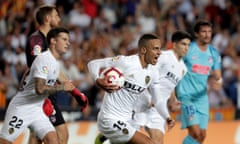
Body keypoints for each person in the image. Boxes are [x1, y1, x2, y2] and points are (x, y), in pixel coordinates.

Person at [95, 31, 192, 144]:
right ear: (175, 45)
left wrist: (173, 100)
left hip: (157, 108)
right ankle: (105, 138)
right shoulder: (164, 57)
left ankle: (106, 137)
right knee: (129, 139)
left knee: (157, 141)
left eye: (188, 45)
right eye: (183, 44)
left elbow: (170, 86)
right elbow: (145, 72)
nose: (186, 48)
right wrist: (147, 95)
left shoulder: (183, 69)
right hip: (141, 103)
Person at [24, 5, 88, 144]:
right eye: (56, 16)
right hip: (39, 94)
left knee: (57, 135)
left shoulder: (49, 42)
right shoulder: (37, 41)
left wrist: (75, 92)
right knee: (45, 135)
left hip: (48, 94)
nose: (59, 19)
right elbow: (38, 70)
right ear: (48, 18)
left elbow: (56, 71)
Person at [0, 27, 75, 144]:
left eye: (68, 40)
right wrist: (61, 87)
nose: (68, 43)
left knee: (52, 139)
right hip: (21, 108)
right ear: (53, 41)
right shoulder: (44, 59)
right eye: (64, 39)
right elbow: (39, 89)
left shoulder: (55, 63)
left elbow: (29, 73)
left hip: (36, 109)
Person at [175, 20, 222, 144]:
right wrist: (172, 94)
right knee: (195, 132)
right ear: (196, 34)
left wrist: (218, 81)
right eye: (203, 32)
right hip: (186, 96)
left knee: (201, 135)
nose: (207, 35)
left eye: (209, 32)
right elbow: (174, 67)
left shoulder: (214, 53)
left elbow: (217, 75)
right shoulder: (188, 49)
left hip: (202, 97)